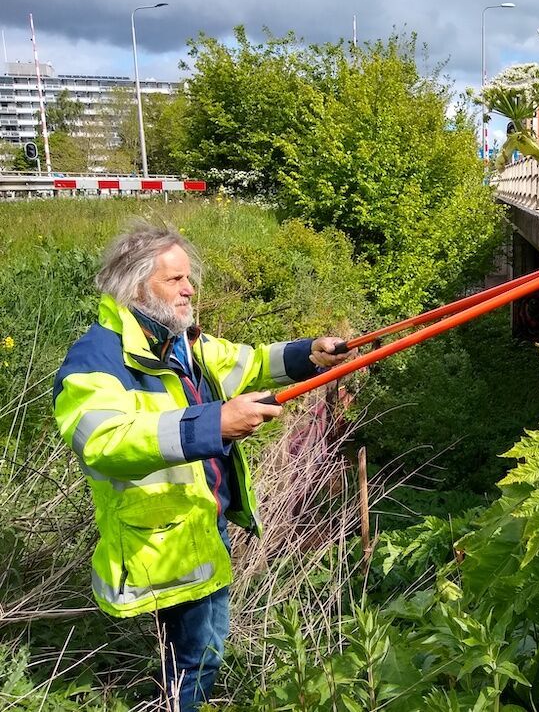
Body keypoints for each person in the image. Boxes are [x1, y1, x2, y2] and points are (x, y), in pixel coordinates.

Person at [52, 222, 352, 711]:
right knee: (197, 657)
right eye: (174, 280)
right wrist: (214, 424)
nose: (189, 288)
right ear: (134, 286)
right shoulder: (97, 359)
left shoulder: (178, 341)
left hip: (202, 521)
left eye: (188, 278)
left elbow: (248, 363)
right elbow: (103, 440)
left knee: (201, 649)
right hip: (163, 536)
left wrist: (307, 354)